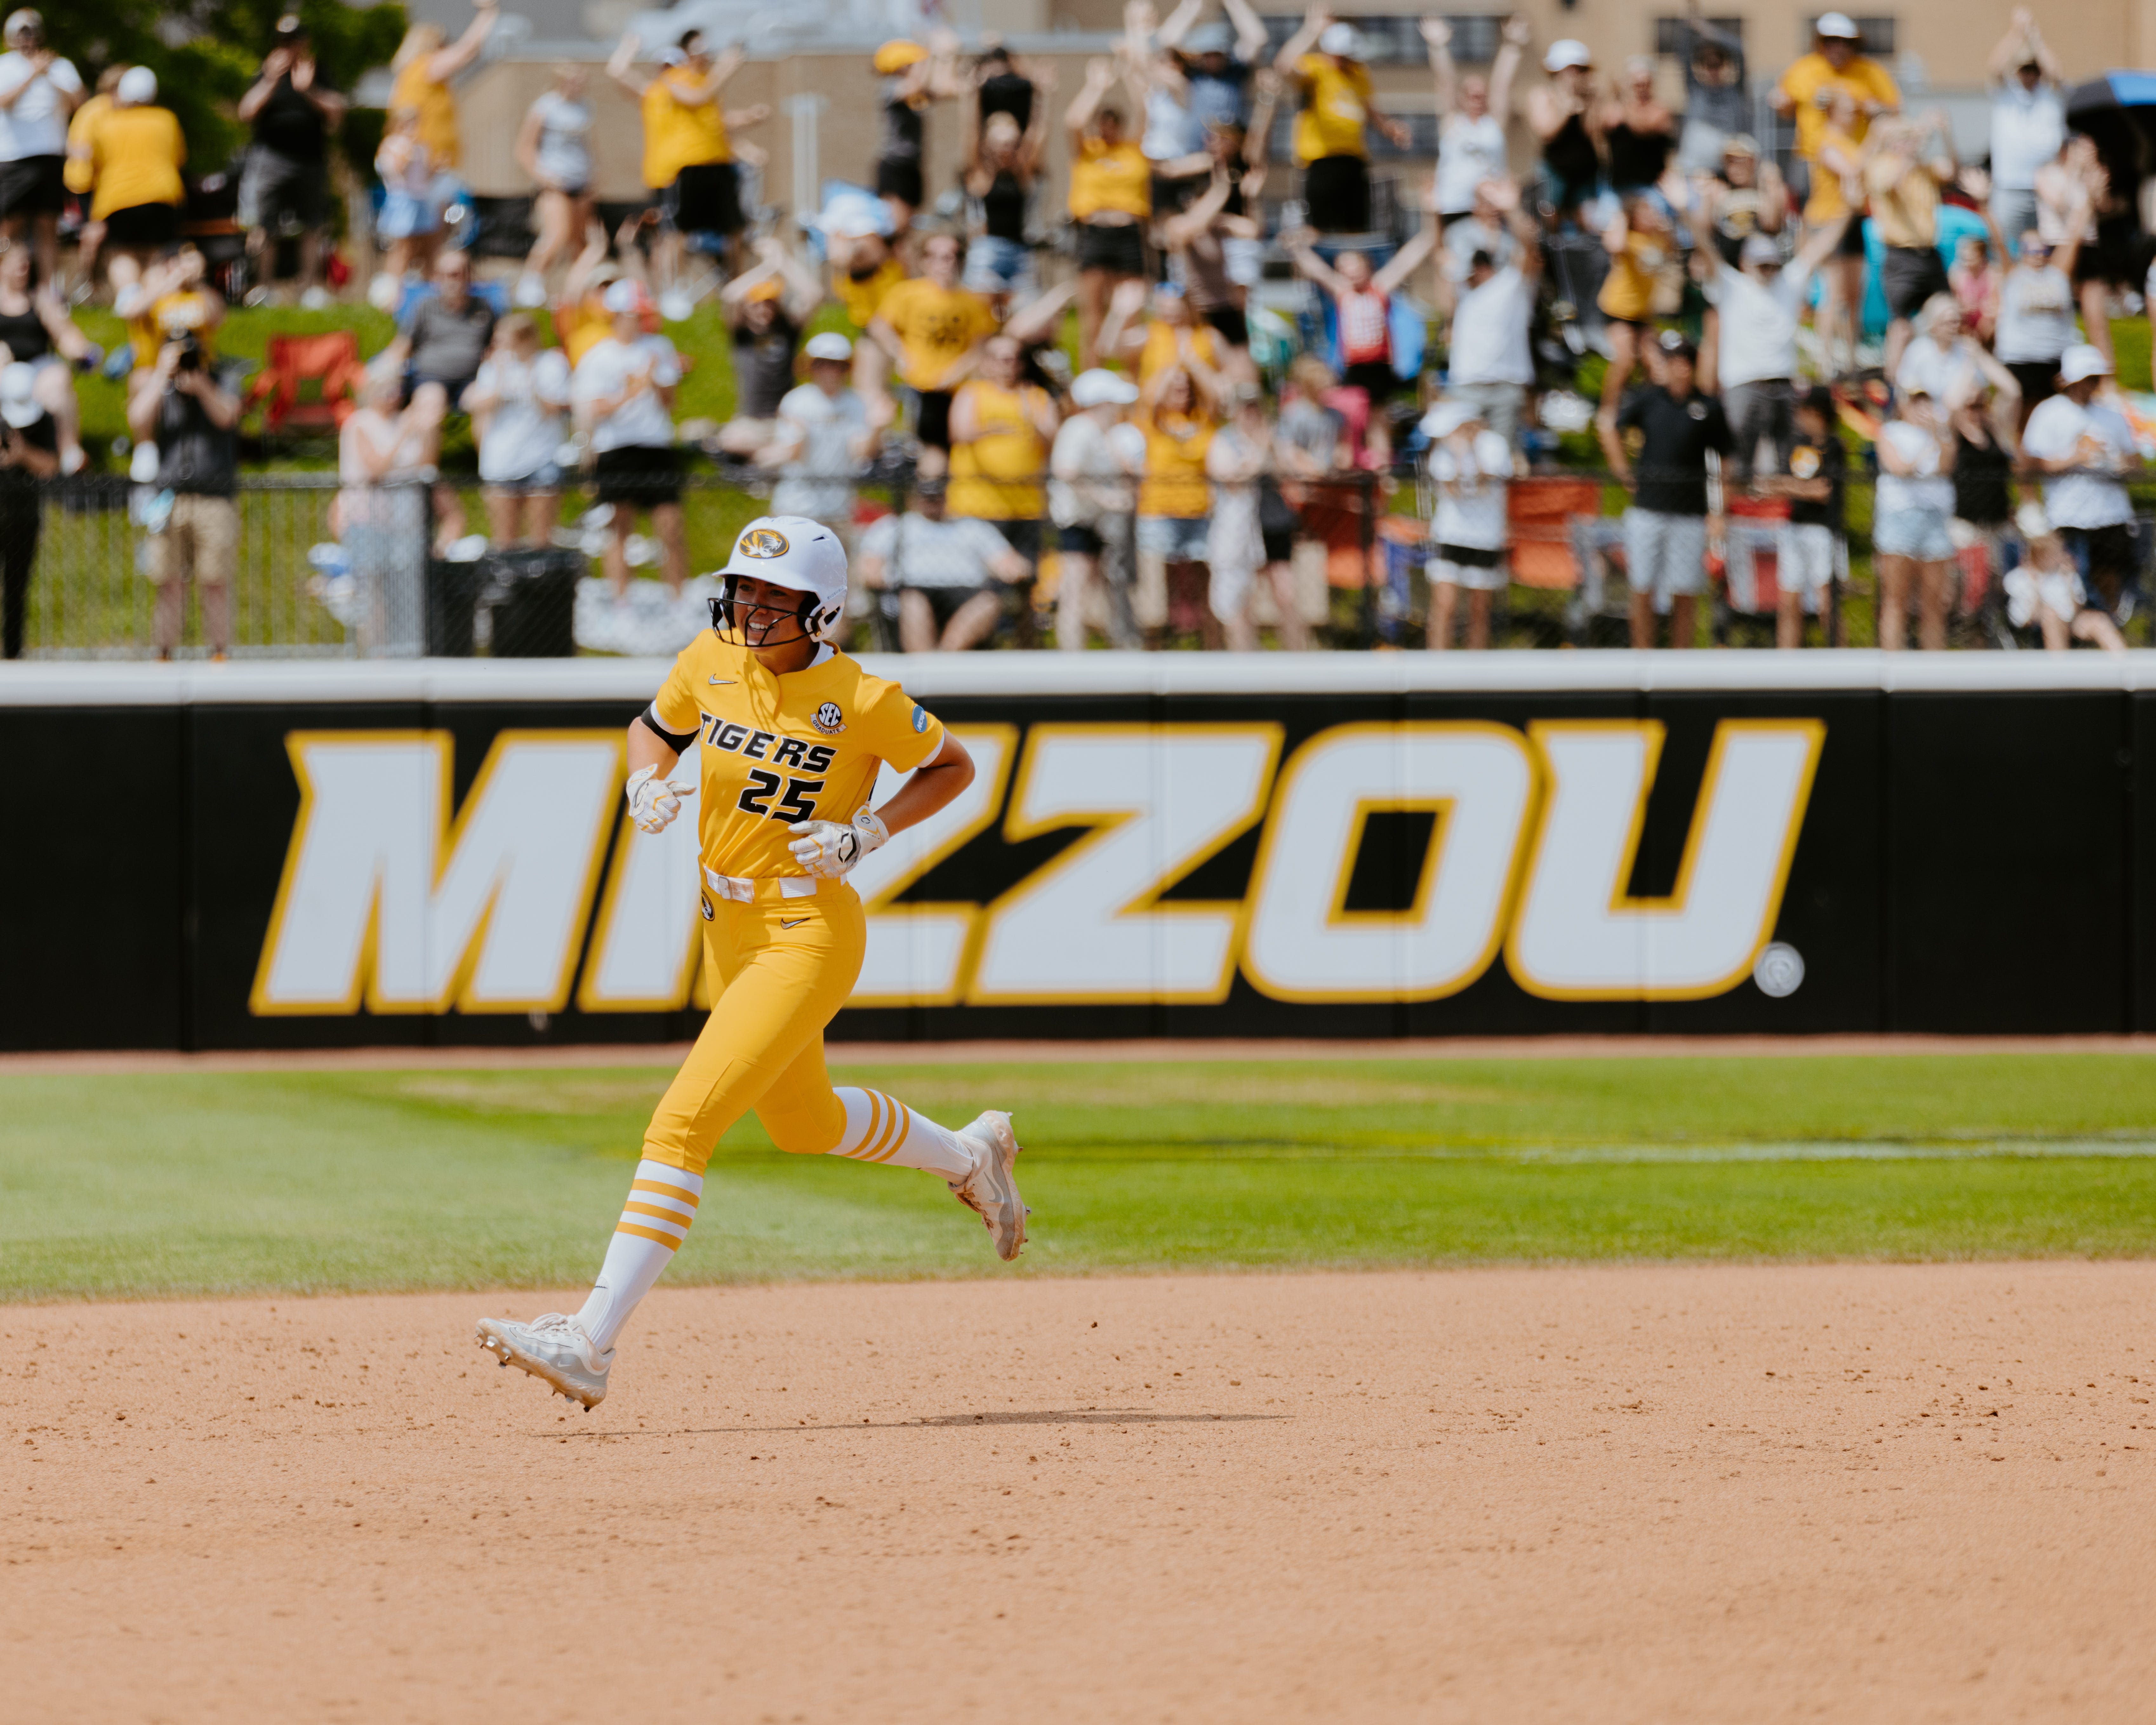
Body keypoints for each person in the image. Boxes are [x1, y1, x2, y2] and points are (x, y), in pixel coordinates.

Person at [476, 515, 1027, 1409]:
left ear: (824, 609)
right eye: (746, 588)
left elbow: (954, 765)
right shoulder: (709, 658)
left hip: (807, 930)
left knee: (682, 1123)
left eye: (777, 595)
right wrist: (645, 781)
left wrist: (870, 830)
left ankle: (590, 1341)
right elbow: (653, 727)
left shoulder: (864, 695)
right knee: (803, 1123)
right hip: (724, 924)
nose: (753, 606)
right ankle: (969, 1156)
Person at [1598, 331, 1729, 649]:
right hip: (1648, 508)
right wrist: (1623, 474)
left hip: (1689, 513)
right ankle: (1642, 656)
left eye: (1679, 361)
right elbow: (1609, 426)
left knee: (1685, 590)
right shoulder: (1648, 400)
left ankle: (1679, 661)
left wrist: (1719, 510)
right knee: (1641, 586)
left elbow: (1726, 459)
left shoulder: (1707, 407)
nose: (1674, 368)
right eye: (1669, 361)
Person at [611, 27, 767, 290]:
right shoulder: (667, 87)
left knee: (733, 228)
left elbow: (713, 126)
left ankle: (735, 285)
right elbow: (696, 98)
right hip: (674, 172)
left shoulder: (701, 83)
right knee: (674, 234)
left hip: (714, 166)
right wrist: (727, 67)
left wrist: (747, 125)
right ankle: (672, 289)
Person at [1699, 209, 1847, 481]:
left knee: (1787, 458)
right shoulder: (1733, 286)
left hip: (1783, 383)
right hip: (1743, 383)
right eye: (1761, 265)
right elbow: (1706, 248)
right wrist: (1687, 211)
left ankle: (1782, 516)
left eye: (1772, 265)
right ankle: (1733, 514)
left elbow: (1819, 248)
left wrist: (1847, 209)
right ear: (1745, 263)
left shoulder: (1787, 283)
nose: (1768, 271)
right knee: (1737, 456)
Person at [128, 330, 239, 661]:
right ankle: (163, 653)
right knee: (168, 581)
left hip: (214, 498)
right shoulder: (159, 387)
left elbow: (229, 416)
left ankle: (220, 652)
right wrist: (163, 374)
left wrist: (203, 387)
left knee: (215, 580)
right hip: (169, 499)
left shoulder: (222, 381)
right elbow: (137, 420)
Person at [574, 277, 687, 599]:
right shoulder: (598, 356)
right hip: (616, 447)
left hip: (656, 443)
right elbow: (594, 408)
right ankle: (622, 603)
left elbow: (669, 403)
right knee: (619, 529)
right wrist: (633, 390)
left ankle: (677, 600)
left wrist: (655, 383)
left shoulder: (659, 347)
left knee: (670, 527)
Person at [866, 231, 996, 476]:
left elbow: (981, 345)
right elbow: (879, 326)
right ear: (925, 260)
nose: (944, 263)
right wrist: (901, 355)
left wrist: (958, 371)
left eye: (951, 257)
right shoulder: (907, 293)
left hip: (957, 389)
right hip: (921, 385)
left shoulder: (972, 301)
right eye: (937, 257)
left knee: (957, 449)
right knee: (923, 450)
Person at [236, 15, 344, 309]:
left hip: (310, 158)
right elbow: (246, 112)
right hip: (271, 158)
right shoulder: (265, 73)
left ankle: (308, 288)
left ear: (305, 43)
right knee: (265, 225)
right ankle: (265, 288)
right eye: (284, 43)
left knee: (313, 224)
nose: (289, 48)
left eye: (295, 42)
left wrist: (308, 90)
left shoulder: (318, 72)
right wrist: (272, 80)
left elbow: (337, 111)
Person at [2020, 343, 2137, 615]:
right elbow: (2029, 464)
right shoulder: (2048, 413)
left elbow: (2134, 462)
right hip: (2067, 515)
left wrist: (2121, 463)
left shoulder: (2112, 415)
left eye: (2095, 378)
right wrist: (2074, 457)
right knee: (2070, 584)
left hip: (2111, 515)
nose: (2091, 385)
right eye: (2087, 378)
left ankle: (2105, 633)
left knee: (2109, 578)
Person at [857, 476, 1033, 651]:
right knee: (913, 603)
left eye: (937, 497)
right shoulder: (893, 527)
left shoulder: (972, 527)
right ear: (914, 498)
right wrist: (879, 579)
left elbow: (1008, 563)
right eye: (927, 497)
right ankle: (925, 667)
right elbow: (870, 568)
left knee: (989, 602)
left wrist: (1017, 570)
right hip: (913, 588)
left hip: (966, 591)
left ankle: (945, 660)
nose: (933, 502)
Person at [1275, 7, 1408, 236]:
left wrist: (1389, 129)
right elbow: (1284, 66)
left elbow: (1369, 109)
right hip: (1321, 160)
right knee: (1319, 227)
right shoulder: (1315, 68)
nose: (1346, 60)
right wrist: (1311, 31)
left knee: (1356, 226)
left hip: (1354, 160)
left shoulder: (1358, 74)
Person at [1284, 210, 1436, 408]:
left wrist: (1431, 220)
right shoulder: (1343, 292)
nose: (1352, 273)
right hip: (1353, 365)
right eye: (1345, 268)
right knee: (1354, 413)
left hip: (1379, 365)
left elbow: (1405, 262)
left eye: (1356, 267)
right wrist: (1297, 248)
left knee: (1379, 415)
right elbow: (1317, 270)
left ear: (1367, 267)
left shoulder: (1379, 289)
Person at [1204, 379, 1304, 652]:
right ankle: (1244, 662)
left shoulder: (1275, 436)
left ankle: (1300, 662)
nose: (1251, 413)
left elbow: (1290, 471)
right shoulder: (1223, 440)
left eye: (1254, 406)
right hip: (1239, 529)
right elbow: (1231, 477)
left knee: (1285, 594)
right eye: (1244, 407)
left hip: (1273, 522)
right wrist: (1260, 454)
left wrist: (1269, 449)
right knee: (1240, 598)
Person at [948, 332, 1058, 577]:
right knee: (978, 579)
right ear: (987, 362)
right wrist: (993, 429)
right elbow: (959, 432)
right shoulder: (972, 392)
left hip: (1025, 506)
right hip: (978, 505)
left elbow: (1053, 440)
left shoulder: (1036, 396)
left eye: (1014, 359)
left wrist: (1033, 421)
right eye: (1001, 359)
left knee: (1026, 577)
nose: (1009, 365)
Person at [1066, 56, 1151, 371]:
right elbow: (1073, 121)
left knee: (1130, 313)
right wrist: (1096, 86)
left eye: (1113, 123)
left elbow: (1145, 111)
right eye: (1103, 123)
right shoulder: (1087, 151)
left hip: (1128, 234)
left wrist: (1130, 76)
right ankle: (1092, 382)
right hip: (1095, 234)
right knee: (1093, 317)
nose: (1107, 129)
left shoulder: (1134, 150)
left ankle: (1132, 387)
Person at [1050, 366, 1144, 650]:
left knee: (1095, 591)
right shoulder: (1080, 430)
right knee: (1075, 592)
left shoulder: (1105, 433)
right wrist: (1105, 498)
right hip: (1078, 522)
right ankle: (1071, 662)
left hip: (1096, 523)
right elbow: (1065, 472)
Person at [1443, 177, 1540, 447]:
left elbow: (1530, 249)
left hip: (1505, 386)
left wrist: (1512, 209)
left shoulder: (1511, 286)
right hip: (1466, 384)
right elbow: (1441, 258)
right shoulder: (1463, 291)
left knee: (1500, 461)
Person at [462, 314, 570, 550]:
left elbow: (554, 410)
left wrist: (532, 382)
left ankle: (540, 585)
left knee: (541, 540)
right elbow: (477, 405)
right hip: (502, 461)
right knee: (504, 540)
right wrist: (500, 381)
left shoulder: (550, 364)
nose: (500, 347)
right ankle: (509, 585)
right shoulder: (494, 368)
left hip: (542, 458)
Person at [1862, 113, 1957, 379]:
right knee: (1901, 328)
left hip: (1929, 253)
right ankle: (1894, 390)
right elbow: (1890, 185)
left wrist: (1945, 135)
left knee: (1946, 316)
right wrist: (1910, 152)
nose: (1913, 144)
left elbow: (1953, 172)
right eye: (1905, 140)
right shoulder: (1881, 165)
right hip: (1900, 255)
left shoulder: (1924, 169)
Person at [766, 332, 885, 539]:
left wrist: (878, 428)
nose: (829, 372)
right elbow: (792, 454)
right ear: (811, 367)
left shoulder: (855, 403)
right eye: (821, 364)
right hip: (796, 506)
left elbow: (860, 452)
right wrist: (800, 437)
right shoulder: (797, 401)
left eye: (836, 365)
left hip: (837, 509)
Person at [715, 236, 823, 457]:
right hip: (751, 422)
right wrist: (766, 267)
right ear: (747, 307)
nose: (763, 310)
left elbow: (815, 294)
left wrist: (783, 260)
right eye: (757, 304)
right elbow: (729, 296)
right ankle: (770, 458)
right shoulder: (741, 334)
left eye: (769, 302)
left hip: (785, 419)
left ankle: (767, 460)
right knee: (730, 441)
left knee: (809, 441)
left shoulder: (788, 330)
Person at [1987, 182, 2085, 425]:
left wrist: (2087, 201)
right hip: (2020, 357)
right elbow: (1997, 240)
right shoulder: (2013, 276)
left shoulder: (2058, 276)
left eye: (2041, 248)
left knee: (2056, 416)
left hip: (2055, 357)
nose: (2036, 253)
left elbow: (2074, 236)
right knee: (2019, 414)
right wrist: (1982, 204)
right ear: (2021, 251)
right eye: (2029, 248)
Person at [1138, 356, 1220, 641]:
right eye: (1173, 387)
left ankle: (1212, 652)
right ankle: (1153, 651)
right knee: (1155, 592)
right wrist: (1171, 364)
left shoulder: (1204, 421)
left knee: (1205, 589)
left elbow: (1215, 396)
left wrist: (1193, 364)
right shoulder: (1152, 422)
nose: (1180, 392)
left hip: (1199, 514)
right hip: (1158, 513)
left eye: (1185, 387)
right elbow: (1148, 397)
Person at [1420, 396, 1512, 651]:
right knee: (1443, 605)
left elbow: (1486, 486)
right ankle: (1436, 669)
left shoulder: (1494, 445)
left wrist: (1470, 452)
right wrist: (1461, 458)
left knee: (1479, 610)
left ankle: (1475, 673)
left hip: (1485, 536)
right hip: (1450, 534)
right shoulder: (1443, 450)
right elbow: (1452, 491)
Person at [960, 61, 1052, 309]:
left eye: (1010, 144)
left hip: (1022, 252)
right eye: (999, 144)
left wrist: (1042, 97)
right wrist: (972, 95)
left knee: (1028, 312)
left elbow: (1038, 135)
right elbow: (971, 133)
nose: (1005, 149)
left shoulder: (1023, 174)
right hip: (986, 249)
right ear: (989, 145)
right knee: (980, 316)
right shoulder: (981, 174)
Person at [1771, 12, 1898, 190]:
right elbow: (1785, 110)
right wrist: (1782, 104)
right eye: (1831, 41)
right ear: (1820, 43)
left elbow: (1895, 111)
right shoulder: (1804, 68)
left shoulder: (1869, 72)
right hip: (1811, 156)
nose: (1838, 47)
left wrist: (1870, 108)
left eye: (1845, 42)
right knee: (1805, 206)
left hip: (1855, 156)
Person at [1872, 385, 1956, 650]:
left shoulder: (1941, 435)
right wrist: (1923, 453)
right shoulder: (1890, 432)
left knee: (1935, 601)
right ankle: (1893, 668)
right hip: (1900, 517)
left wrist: (1936, 435)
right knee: (1896, 598)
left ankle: (1933, 672)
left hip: (1935, 518)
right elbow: (1899, 468)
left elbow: (1945, 467)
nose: (1922, 409)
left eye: (1926, 402)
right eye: (1915, 402)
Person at [1762, 386, 1847, 648]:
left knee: (1826, 602)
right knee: (1789, 602)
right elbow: (1771, 485)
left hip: (1824, 530)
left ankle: (1841, 663)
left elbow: (1823, 492)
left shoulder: (1834, 447)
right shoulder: (1795, 444)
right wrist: (1800, 488)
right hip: (1794, 528)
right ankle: (1785, 665)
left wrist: (1790, 486)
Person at [1425, 14, 1528, 228]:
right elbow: (1446, 84)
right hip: (1454, 206)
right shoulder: (1453, 123)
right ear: (1462, 99)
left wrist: (1512, 46)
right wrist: (1438, 47)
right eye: (1472, 95)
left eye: (1482, 95)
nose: (1478, 100)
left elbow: (1502, 86)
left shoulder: (1492, 125)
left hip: (1491, 209)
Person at [85, 67, 183, 290]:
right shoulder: (167, 120)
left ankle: (130, 300)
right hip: (162, 195)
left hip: (118, 198)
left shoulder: (107, 124)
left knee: (122, 254)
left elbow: (93, 165)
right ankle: (152, 303)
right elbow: (179, 158)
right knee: (155, 254)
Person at [0, 10, 77, 289]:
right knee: (10, 227)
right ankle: (6, 289)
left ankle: (49, 290)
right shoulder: (4, 66)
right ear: (11, 37)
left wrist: (50, 75)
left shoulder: (60, 66)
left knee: (48, 226)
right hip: (13, 158)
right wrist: (34, 75)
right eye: (21, 32)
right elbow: (4, 102)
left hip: (51, 156)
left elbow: (79, 101)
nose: (27, 38)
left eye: (31, 31)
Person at [513, 65, 594, 309]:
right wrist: (544, 178)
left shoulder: (585, 108)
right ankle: (531, 283)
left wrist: (596, 174)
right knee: (557, 234)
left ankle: (578, 290)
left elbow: (588, 145)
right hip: (555, 182)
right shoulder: (545, 107)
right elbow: (525, 148)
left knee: (580, 241)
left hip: (581, 181)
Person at [1595, 194, 1676, 423]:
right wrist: (1622, 215)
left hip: (1643, 313)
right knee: (1625, 359)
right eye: (1644, 214)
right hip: (1618, 311)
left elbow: (1672, 249)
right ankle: (1607, 412)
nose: (1650, 217)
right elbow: (1614, 245)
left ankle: (1653, 411)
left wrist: (1664, 225)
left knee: (1657, 365)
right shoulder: (1628, 239)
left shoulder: (1656, 241)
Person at [1986, 10, 2064, 247]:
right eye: (2024, 69)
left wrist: (2036, 39)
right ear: (2017, 71)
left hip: (2048, 188)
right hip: (2009, 188)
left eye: (2034, 69)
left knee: (2050, 249)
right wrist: (2016, 33)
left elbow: (2057, 73)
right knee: (2006, 249)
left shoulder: (2050, 96)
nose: (2030, 75)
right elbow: (1994, 68)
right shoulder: (2006, 94)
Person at [2005, 499, 2126, 652]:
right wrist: (2036, 587)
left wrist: (2069, 581)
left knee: (2099, 621)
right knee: (2051, 616)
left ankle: (2125, 669)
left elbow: (2077, 608)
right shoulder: (2021, 578)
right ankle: (2061, 672)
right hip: (2040, 623)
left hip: (2072, 621)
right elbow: (2024, 618)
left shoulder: (2066, 574)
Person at [870, 32, 959, 241]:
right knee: (896, 229)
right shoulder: (892, 88)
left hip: (912, 166)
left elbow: (947, 88)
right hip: (895, 165)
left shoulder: (914, 90)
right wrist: (932, 55)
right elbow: (917, 85)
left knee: (907, 230)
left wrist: (948, 58)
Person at [390, 250, 495, 406]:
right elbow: (403, 345)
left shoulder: (484, 308)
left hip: (471, 380)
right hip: (431, 379)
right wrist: (387, 372)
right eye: (445, 275)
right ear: (437, 277)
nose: (450, 281)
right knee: (430, 405)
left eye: (456, 274)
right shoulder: (425, 307)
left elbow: (497, 344)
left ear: (469, 275)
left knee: (485, 403)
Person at [0, 358, 51, 656]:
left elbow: (51, 467)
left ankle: (13, 654)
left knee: (16, 591)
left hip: (24, 518)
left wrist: (22, 455)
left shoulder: (43, 421)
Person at [1526, 39, 1602, 229]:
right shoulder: (1543, 95)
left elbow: (1593, 132)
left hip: (1585, 174)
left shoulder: (1589, 98)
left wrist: (1590, 104)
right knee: (1549, 223)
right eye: (1572, 69)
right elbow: (1546, 132)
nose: (1576, 75)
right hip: (1554, 171)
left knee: (1588, 226)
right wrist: (1567, 109)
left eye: (1581, 70)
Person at [1159, 0, 1270, 131]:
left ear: (1225, 55)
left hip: (1231, 148)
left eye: (1217, 55)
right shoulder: (1193, 73)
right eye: (1207, 55)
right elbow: (1166, 41)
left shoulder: (1236, 71)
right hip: (1196, 148)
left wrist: (1235, 4)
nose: (1212, 60)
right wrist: (1191, 8)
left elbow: (1258, 39)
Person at [1673, 2, 1748, 175]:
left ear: (1725, 66)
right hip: (1695, 169)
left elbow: (1740, 50)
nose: (1713, 70)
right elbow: (1684, 54)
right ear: (1701, 68)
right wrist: (1689, 22)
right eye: (1708, 65)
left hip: (1727, 169)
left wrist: (1707, 29)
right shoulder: (1695, 90)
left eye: (1717, 64)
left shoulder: (1736, 92)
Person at [372, 108, 439, 300]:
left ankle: (430, 291)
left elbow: (426, 178)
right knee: (403, 248)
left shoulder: (421, 146)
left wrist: (435, 168)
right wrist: (408, 154)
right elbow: (396, 171)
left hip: (421, 199)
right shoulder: (393, 145)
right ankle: (392, 293)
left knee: (426, 246)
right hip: (403, 202)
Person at [1701, 135, 1787, 269]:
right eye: (1731, 162)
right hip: (1728, 263)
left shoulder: (1765, 189)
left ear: (1754, 162)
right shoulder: (1719, 191)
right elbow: (1705, 233)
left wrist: (1771, 188)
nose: (1736, 168)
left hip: (1761, 263)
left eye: (1741, 161)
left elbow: (1772, 225)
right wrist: (1707, 198)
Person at [1601, 56, 1675, 197]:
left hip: (1652, 186)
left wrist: (1624, 103)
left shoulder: (1660, 109)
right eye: (1637, 84)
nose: (1641, 88)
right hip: (1619, 186)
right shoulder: (1616, 107)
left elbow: (1643, 128)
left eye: (1645, 83)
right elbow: (1606, 123)